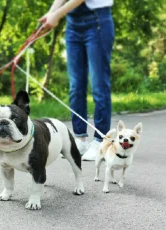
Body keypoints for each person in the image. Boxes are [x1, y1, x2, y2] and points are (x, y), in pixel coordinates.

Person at [39, 0, 114, 161]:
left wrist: (57, 14)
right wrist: (51, 12)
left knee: (99, 86)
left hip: (97, 22)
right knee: (76, 87)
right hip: (72, 25)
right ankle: (80, 139)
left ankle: (101, 141)